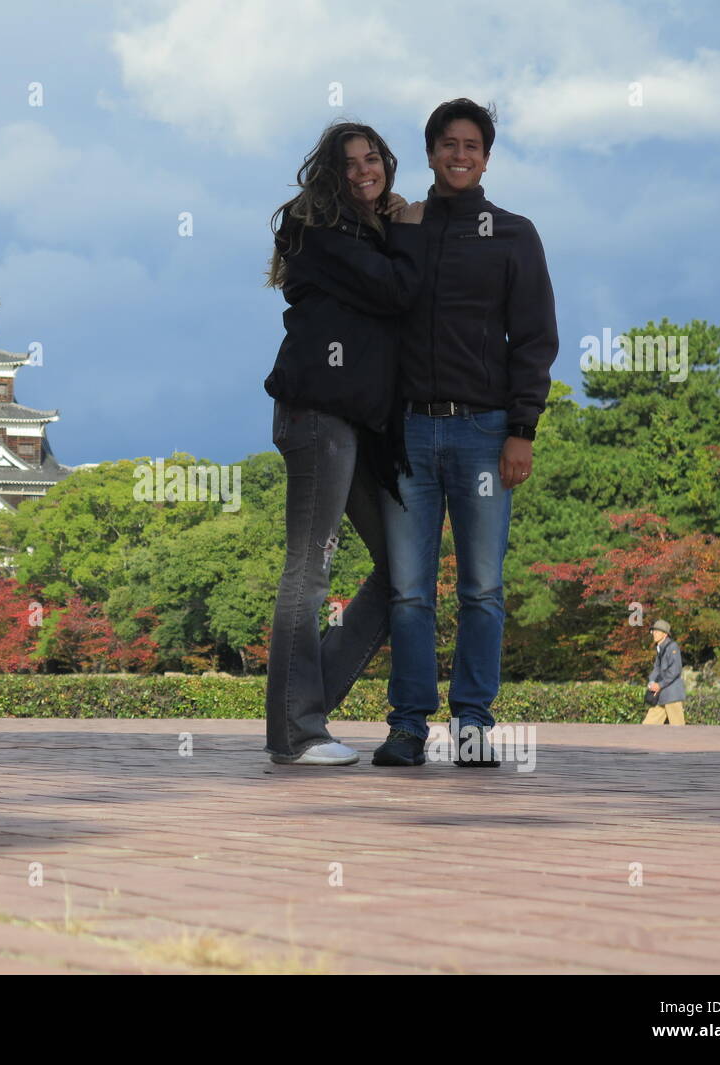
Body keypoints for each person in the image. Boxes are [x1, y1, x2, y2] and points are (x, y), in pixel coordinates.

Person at [373, 99, 558, 768]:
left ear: (486, 155)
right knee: (409, 591)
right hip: (408, 436)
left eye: (472, 144)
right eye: (447, 143)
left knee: (481, 587)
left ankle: (474, 722)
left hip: (484, 433)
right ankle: (406, 726)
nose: (459, 154)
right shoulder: (402, 229)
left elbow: (535, 339)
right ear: (428, 152)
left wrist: (522, 430)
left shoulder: (514, 234)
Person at [262, 120, 427, 766]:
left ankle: (301, 710)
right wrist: (409, 228)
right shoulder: (318, 232)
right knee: (309, 571)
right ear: (331, 173)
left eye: (373, 158)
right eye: (351, 163)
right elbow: (397, 289)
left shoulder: (372, 228)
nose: (365, 170)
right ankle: (296, 730)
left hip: (362, 425)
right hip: (316, 417)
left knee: (402, 575)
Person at [644, 619, 686, 725]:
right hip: (661, 695)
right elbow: (656, 668)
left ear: (665, 634)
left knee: (678, 729)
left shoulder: (672, 647)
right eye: (653, 631)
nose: (654, 633)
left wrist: (659, 685)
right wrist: (652, 682)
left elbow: (675, 670)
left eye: (657, 631)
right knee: (647, 726)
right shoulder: (660, 648)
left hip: (672, 695)